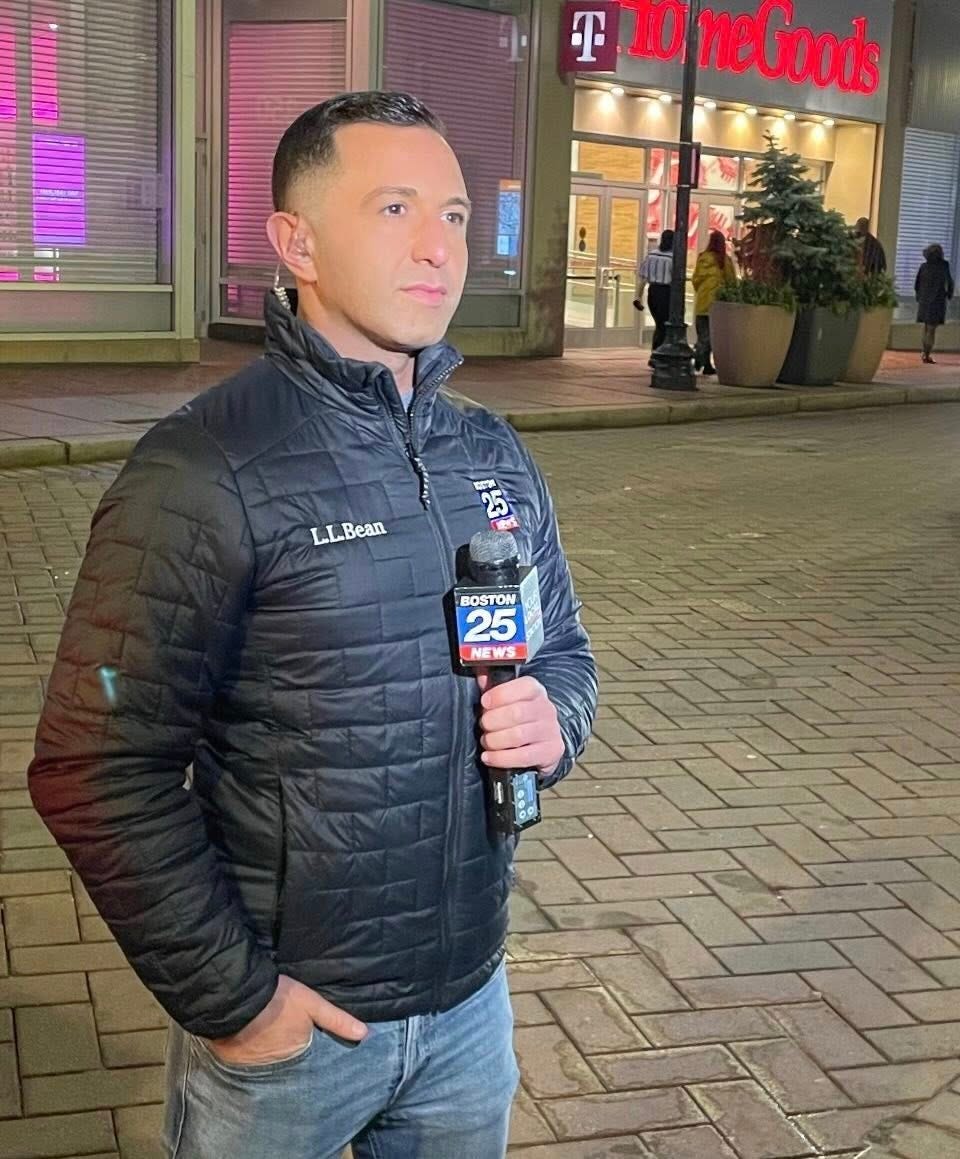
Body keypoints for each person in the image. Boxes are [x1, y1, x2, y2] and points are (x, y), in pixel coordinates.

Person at [27, 92, 597, 1159]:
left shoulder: (491, 453)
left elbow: (561, 648)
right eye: (394, 208)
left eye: (456, 214)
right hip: (288, 1045)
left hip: (470, 1008)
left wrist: (554, 719)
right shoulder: (202, 468)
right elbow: (95, 764)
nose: (438, 246)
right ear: (296, 243)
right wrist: (238, 1001)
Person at [691, 230, 735, 376]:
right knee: (711, 335)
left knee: (702, 334)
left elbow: (695, 280)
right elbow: (731, 282)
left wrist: (702, 291)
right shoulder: (725, 261)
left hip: (702, 302)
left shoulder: (702, 258)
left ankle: (704, 361)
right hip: (717, 303)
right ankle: (701, 358)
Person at [637, 228, 675, 363]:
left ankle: (656, 354)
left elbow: (643, 278)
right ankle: (658, 355)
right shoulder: (672, 258)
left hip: (653, 292)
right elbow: (676, 279)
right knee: (664, 325)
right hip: (666, 292)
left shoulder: (651, 255)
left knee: (659, 324)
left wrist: (638, 297)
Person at [915, 243, 955, 363]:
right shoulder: (944, 265)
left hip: (924, 300)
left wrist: (919, 297)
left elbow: (917, 284)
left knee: (926, 327)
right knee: (931, 329)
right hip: (937, 300)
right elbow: (949, 281)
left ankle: (924, 352)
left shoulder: (923, 266)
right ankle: (926, 354)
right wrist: (949, 294)